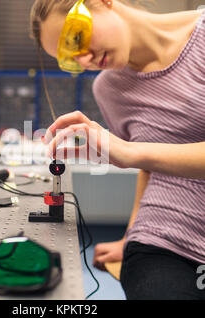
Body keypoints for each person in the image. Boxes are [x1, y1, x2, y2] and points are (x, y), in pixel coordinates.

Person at [30, 0, 205, 299]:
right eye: (69, 58)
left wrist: (131, 153)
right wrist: (129, 237)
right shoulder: (109, 88)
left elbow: (139, 156)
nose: (84, 61)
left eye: (76, 38)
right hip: (163, 243)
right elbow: (151, 168)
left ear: (102, 2)